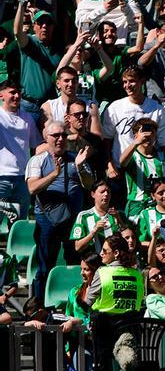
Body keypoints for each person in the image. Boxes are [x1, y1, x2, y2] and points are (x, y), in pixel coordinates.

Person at [27, 121, 93, 300]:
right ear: (45, 138)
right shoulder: (38, 160)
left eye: (63, 135)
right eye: (55, 135)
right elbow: (32, 188)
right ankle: (39, 306)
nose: (60, 139)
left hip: (73, 221)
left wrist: (80, 166)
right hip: (47, 220)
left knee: (74, 264)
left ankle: (73, 302)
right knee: (45, 265)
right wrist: (54, 175)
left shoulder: (75, 158)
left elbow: (89, 185)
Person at [85, 235, 145, 371]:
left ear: (116, 253)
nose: (101, 254)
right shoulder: (137, 275)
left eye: (105, 250)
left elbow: (87, 300)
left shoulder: (103, 272)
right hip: (130, 328)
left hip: (104, 331)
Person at [0, 80, 41, 222]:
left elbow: (37, 144)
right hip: (1, 177)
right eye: (12, 92)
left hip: (22, 178)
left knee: (20, 223)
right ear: (1, 95)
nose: (17, 96)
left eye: (19, 93)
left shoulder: (27, 117)